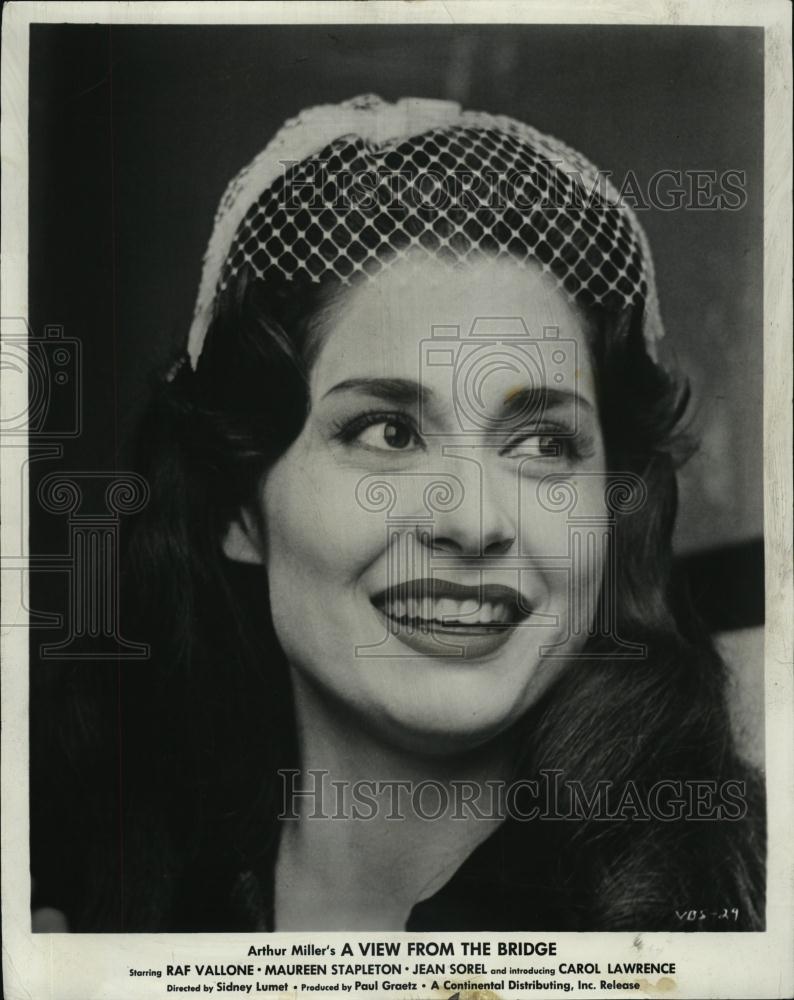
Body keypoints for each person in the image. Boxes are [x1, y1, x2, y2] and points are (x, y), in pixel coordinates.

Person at [31, 94, 765, 932]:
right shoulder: (86, 898)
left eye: (541, 445)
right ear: (239, 508)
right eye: (389, 431)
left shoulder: (741, 904)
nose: (472, 520)